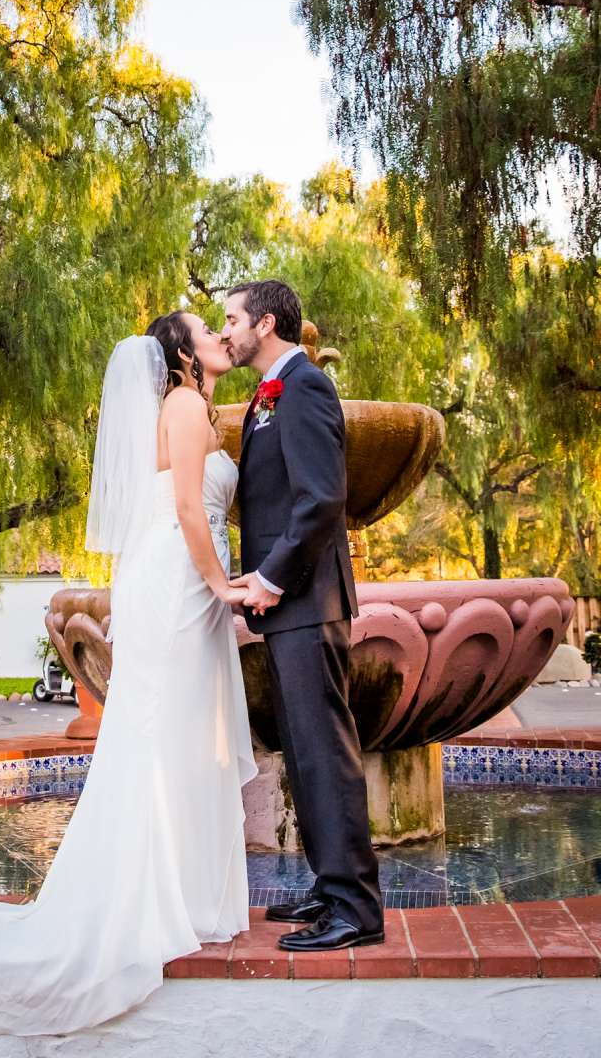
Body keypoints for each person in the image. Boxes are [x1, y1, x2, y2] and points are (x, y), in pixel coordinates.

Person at [0, 312, 257, 1035]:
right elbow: (190, 507)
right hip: (179, 577)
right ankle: (166, 903)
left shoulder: (191, 407)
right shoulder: (187, 405)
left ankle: (183, 897)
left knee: (174, 734)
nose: (220, 336)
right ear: (183, 354)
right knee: (165, 734)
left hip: (172, 575)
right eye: (206, 329)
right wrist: (224, 586)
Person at [222, 278, 383, 950]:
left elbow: (321, 501)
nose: (224, 330)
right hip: (289, 610)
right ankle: (329, 885)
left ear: (264, 323)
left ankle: (356, 908)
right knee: (307, 754)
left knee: (327, 753)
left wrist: (269, 578)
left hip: (307, 604)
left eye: (230, 318)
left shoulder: (307, 386)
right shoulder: (268, 394)